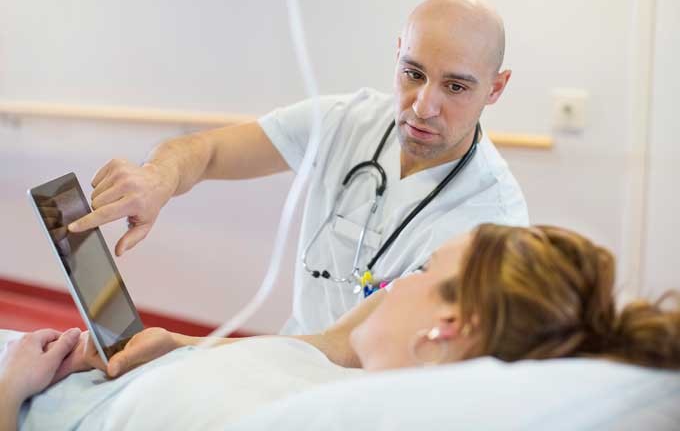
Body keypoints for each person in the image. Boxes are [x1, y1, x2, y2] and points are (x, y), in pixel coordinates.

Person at [65, 0, 528, 336]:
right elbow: (209, 151)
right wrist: (157, 176)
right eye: (413, 73)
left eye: (456, 87)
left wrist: (187, 349)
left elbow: (352, 349)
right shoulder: (349, 121)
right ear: (398, 52)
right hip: (289, 366)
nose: (423, 106)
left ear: (497, 87)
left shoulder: (494, 219)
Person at [2, 224, 679, 429]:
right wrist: (179, 348)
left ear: (450, 322)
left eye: (422, 271)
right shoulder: (336, 371)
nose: (394, 285)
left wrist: (11, 389)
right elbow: (321, 344)